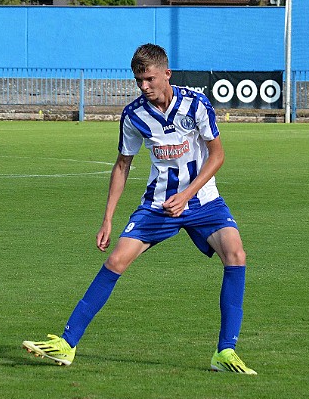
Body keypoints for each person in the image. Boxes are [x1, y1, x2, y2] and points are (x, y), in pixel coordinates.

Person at [23, 44, 256, 375]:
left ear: (166, 73)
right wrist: (107, 218)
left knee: (236, 254)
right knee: (116, 260)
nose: (144, 87)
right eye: (138, 81)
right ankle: (66, 344)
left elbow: (217, 155)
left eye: (148, 79)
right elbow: (122, 165)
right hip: (158, 205)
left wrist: (188, 193)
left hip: (203, 200)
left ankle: (225, 352)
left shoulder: (196, 104)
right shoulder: (134, 115)